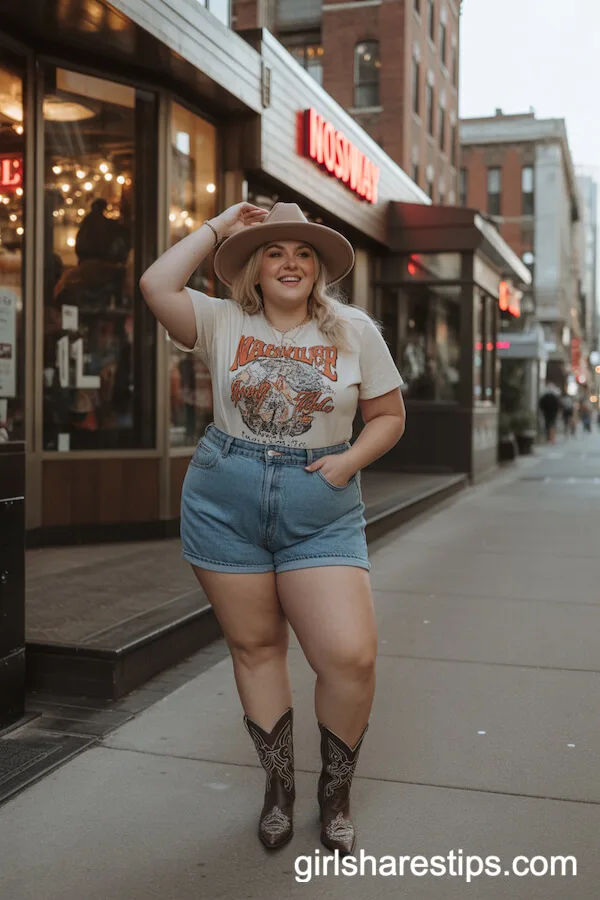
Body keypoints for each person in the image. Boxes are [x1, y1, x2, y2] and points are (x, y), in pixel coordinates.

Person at [140, 202, 406, 855]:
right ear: (253, 267)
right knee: (255, 648)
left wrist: (346, 463)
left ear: (318, 268)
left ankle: (334, 793)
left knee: (350, 657)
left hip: (320, 503)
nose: (290, 262)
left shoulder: (354, 331)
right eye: (274, 251)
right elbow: (155, 284)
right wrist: (220, 223)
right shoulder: (221, 320)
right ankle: (279, 787)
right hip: (224, 498)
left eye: (303, 252)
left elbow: (389, 416)